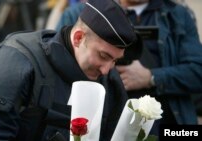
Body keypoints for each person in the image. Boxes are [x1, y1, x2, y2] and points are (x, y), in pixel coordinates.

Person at [0, 0, 138, 140]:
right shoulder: (14, 63)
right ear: (78, 38)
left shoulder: (110, 81)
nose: (107, 69)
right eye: (103, 56)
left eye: (115, 60)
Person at [56, 0, 202, 136]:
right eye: (105, 55)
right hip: (100, 125)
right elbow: (57, 68)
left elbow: (198, 71)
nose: (107, 67)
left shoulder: (178, 15)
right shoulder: (82, 13)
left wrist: (151, 77)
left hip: (170, 125)